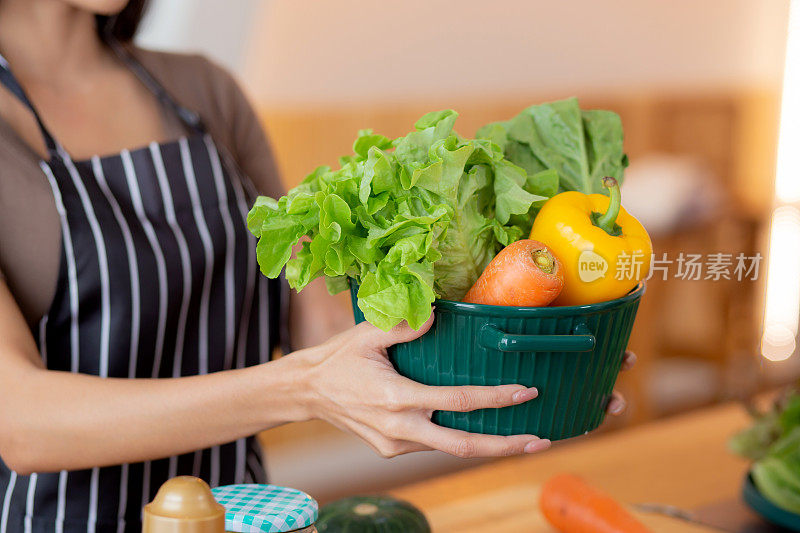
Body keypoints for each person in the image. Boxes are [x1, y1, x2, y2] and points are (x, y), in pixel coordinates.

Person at [0, 1, 636, 531]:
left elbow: (320, 326)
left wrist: (508, 362)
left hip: (247, 516)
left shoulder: (201, 91)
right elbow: (21, 422)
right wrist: (302, 387)